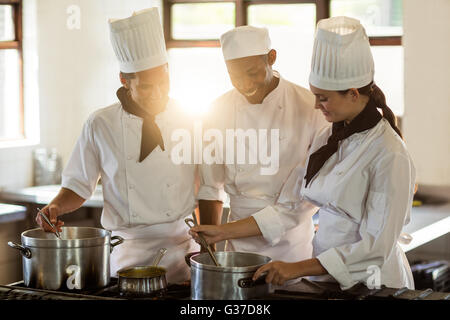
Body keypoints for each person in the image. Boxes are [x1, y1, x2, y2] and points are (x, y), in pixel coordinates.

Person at [35, 8, 206, 284]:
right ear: (124, 80)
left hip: (181, 254)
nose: (159, 94)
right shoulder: (100, 124)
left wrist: (208, 254)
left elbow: (205, 185)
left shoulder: (190, 118)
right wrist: (54, 207)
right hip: (125, 255)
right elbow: (78, 186)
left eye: (164, 82)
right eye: (148, 87)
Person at [251, 16, 416, 290]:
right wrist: (222, 232)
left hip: (373, 284)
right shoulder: (328, 137)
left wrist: (297, 268)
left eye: (323, 97)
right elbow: (293, 204)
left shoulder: (389, 152)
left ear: (353, 93)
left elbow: (375, 248)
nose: (316, 105)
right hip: (326, 278)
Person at [191, 26, 329, 268]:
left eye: (252, 73)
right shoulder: (217, 110)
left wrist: (224, 232)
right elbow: (211, 187)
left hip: (292, 244)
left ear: (272, 57)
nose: (245, 83)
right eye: (235, 76)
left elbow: (313, 191)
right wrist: (209, 250)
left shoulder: (309, 106)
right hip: (236, 242)